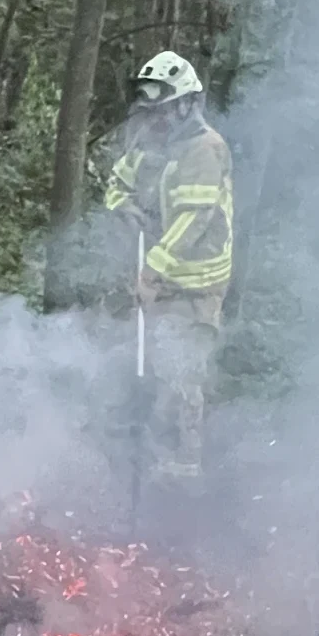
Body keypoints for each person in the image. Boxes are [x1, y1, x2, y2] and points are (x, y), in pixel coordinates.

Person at [104, 50, 233, 485]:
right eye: (151, 112)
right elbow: (117, 182)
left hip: (196, 286)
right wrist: (124, 207)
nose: (155, 120)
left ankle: (185, 468)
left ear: (185, 104)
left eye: (162, 111)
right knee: (148, 364)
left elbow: (193, 220)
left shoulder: (206, 149)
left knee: (183, 373)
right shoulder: (155, 145)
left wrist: (151, 271)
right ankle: (144, 452)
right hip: (160, 281)